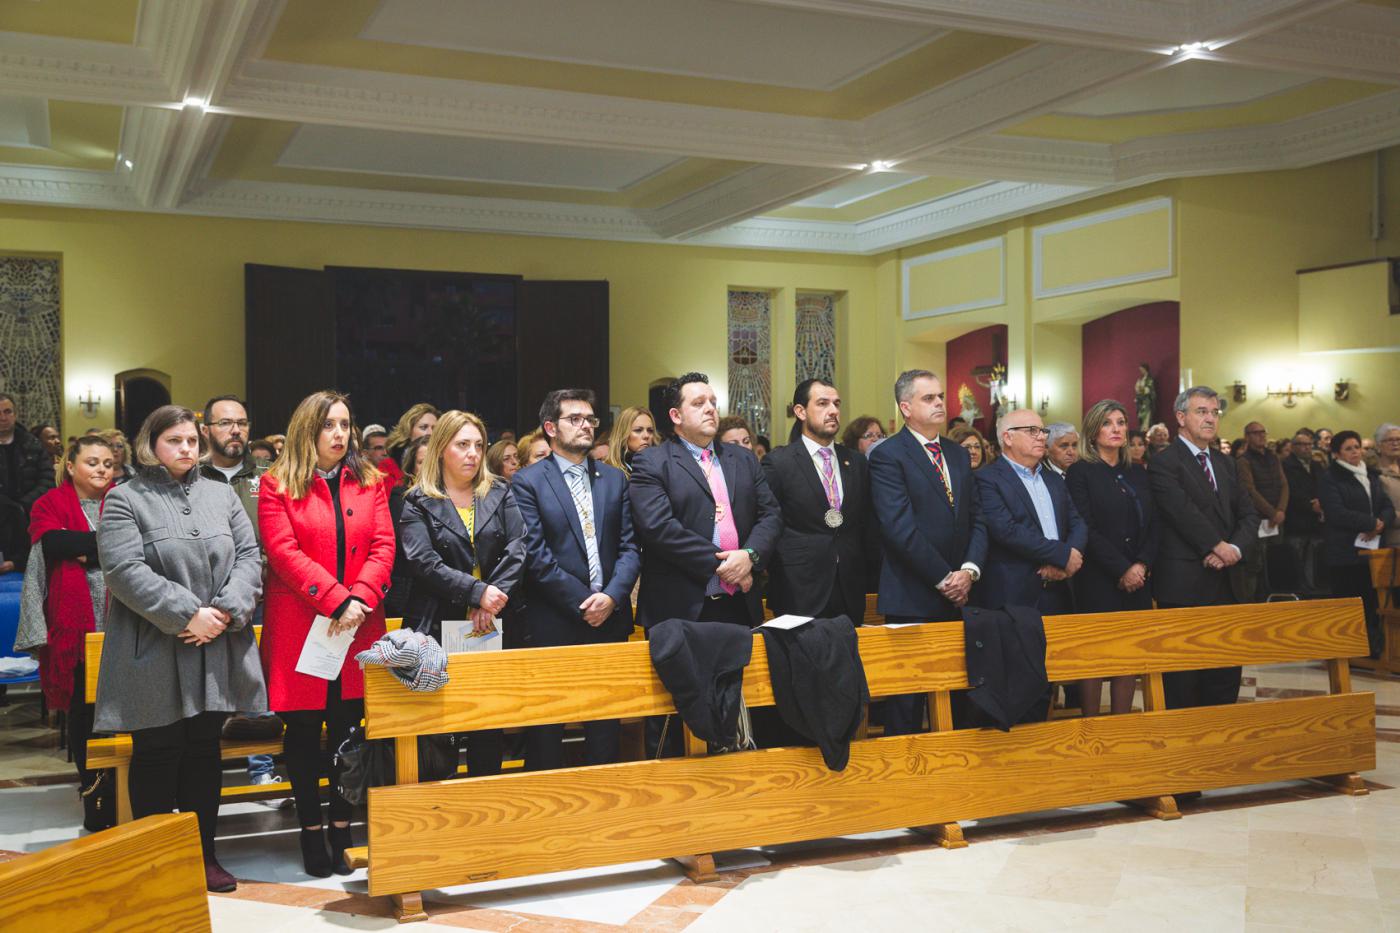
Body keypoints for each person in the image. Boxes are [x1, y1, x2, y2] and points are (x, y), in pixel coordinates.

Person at [94, 405, 265, 892]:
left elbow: (250, 555)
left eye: (192, 440)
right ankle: (154, 862)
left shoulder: (220, 495)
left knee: (202, 750)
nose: (187, 448)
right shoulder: (125, 498)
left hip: (215, 645)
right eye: (175, 440)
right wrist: (188, 613)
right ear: (151, 444)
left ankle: (202, 855)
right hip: (154, 643)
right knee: (156, 751)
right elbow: (124, 570)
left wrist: (227, 610)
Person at [259, 391, 394, 878]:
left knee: (348, 731)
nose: (339, 434)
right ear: (306, 430)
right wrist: (337, 599)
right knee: (301, 734)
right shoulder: (277, 485)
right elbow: (282, 552)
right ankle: (310, 829)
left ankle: (342, 825)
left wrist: (359, 598)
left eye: (345, 424)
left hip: (357, 627)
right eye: (328, 425)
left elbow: (383, 545)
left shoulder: (370, 482)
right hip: (303, 624)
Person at [512, 390, 639, 770]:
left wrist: (612, 598)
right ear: (551, 428)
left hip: (610, 618)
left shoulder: (614, 480)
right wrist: (585, 602)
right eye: (575, 419)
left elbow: (631, 548)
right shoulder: (528, 482)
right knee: (548, 729)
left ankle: (605, 815)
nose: (586, 425)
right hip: (555, 619)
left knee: (606, 726)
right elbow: (535, 556)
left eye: (591, 419)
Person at [399, 410, 525, 776]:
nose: (473, 453)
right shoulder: (418, 500)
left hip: (493, 621)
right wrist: (477, 592)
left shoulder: (499, 492)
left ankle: (485, 815)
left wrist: (491, 598)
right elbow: (423, 562)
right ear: (441, 449)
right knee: (442, 729)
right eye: (463, 445)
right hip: (438, 625)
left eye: (478, 445)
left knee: (488, 723)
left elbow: (519, 547)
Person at [869, 370, 986, 735]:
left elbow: (977, 518)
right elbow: (899, 529)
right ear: (905, 407)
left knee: (957, 692)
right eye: (928, 398)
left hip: (962, 594)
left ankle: (954, 774)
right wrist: (944, 578)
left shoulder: (955, 452)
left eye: (940, 396)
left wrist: (968, 570)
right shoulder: (888, 455)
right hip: (912, 593)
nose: (939, 403)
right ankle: (903, 782)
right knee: (908, 698)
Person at [630, 372, 781, 631]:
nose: (711, 409)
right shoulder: (653, 462)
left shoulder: (743, 459)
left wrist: (749, 556)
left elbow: (771, 515)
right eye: (699, 403)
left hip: (740, 603)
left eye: (713, 402)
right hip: (681, 605)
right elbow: (660, 528)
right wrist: (728, 566)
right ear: (676, 416)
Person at [19, 436, 116, 830]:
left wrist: (85, 549)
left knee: (125, 714)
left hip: (122, 627)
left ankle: (127, 790)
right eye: (92, 462)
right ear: (71, 466)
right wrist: (101, 548)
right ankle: (94, 793)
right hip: (75, 633)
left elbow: (133, 547)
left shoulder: (125, 503)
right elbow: (53, 544)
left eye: (109, 463)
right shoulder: (51, 505)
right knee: (85, 713)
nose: (101, 470)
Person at [1149, 387, 1258, 710]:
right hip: (1185, 582)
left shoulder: (1227, 464)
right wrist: (1216, 545)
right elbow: (1181, 512)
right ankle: (1183, 753)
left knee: (1225, 677)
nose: (1210, 418)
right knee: (1183, 680)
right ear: (1181, 417)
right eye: (1201, 411)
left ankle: (1220, 750)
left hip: (1229, 582)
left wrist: (1234, 549)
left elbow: (1249, 514)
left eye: (1214, 412)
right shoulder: (1164, 462)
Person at [198, 396, 285, 792]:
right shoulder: (191, 476)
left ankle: (261, 771)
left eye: (243, 423)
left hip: (267, 598)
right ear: (206, 430)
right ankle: (200, 777)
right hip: (210, 604)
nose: (235, 430)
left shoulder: (272, 475)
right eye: (225, 423)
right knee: (210, 686)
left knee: (259, 687)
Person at [1066, 401, 1156, 716]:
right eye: (1108, 423)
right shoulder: (1080, 472)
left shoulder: (1138, 472)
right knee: (1096, 655)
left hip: (1138, 577)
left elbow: (1154, 523)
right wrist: (1122, 568)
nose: (1116, 429)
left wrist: (1141, 565)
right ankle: (1092, 726)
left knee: (1128, 655)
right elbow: (1084, 527)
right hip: (1098, 576)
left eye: (1121, 422)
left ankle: (1122, 724)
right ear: (1093, 432)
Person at [762, 378, 877, 621]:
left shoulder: (855, 462)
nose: (833, 411)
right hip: (798, 588)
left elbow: (866, 523)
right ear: (800, 411)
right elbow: (767, 522)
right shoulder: (779, 462)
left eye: (836, 404)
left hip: (849, 586)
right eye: (823, 403)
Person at [977, 410, 1086, 622]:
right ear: (1008, 437)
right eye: (1032, 431)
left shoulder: (1054, 479)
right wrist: (1062, 555)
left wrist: (1070, 560)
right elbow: (1006, 530)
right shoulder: (987, 479)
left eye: (1042, 431)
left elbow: (1077, 522)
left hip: (1062, 587)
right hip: (1016, 595)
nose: (1042, 436)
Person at [1318, 430, 1394, 658]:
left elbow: (1387, 505)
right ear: (1337, 454)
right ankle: (1347, 651)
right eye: (1349, 448)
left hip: (1372, 549)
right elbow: (1336, 512)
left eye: (1357, 447)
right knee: (1349, 603)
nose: (1355, 452)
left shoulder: (1370, 475)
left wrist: (1381, 523)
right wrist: (1370, 523)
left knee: (1372, 601)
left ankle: (1372, 648)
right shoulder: (1331, 478)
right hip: (1344, 551)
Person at [1236, 421, 1289, 601]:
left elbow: (1284, 484)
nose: (1261, 435)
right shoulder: (1244, 461)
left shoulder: (1273, 457)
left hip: (1276, 519)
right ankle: (1255, 602)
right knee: (1256, 564)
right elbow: (1250, 490)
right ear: (1247, 437)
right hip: (1258, 520)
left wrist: (1281, 509)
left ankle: (1275, 598)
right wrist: (1271, 512)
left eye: (1263, 432)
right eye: (1256, 432)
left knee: (1275, 561)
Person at [1282, 428, 1327, 595]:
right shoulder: (1286, 465)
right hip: (1297, 520)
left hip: (1316, 522)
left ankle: (1313, 589)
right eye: (1301, 444)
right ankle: (1299, 591)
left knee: (1313, 559)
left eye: (1309, 444)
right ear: (1293, 446)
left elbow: (1324, 486)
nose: (1306, 448)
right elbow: (1289, 491)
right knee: (1296, 558)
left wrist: (1321, 502)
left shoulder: (1316, 465)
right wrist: (1310, 505)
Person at [0, 393, 57, 516]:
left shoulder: (32, 444)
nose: (3, 417)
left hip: (27, 513)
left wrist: (24, 504)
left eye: (7, 412)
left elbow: (47, 480)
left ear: (15, 415)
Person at [604, 406, 657, 477]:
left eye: (650, 431)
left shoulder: (660, 468)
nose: (646, 436)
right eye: (638, 430)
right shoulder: (607, 471)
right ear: (623, 434)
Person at [1376, 423, 1400, 548]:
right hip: (1392, 540)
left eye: (1398, 439)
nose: (1395, 443)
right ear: (1379, 446)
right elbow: (1378, 509)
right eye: (1390, 440)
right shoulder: (1375, 475)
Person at [362, 423, 403, 488]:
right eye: (379, 448)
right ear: (366, 453)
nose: (385, 453)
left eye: (388, 447)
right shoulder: (359, 478)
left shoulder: (400, 472)